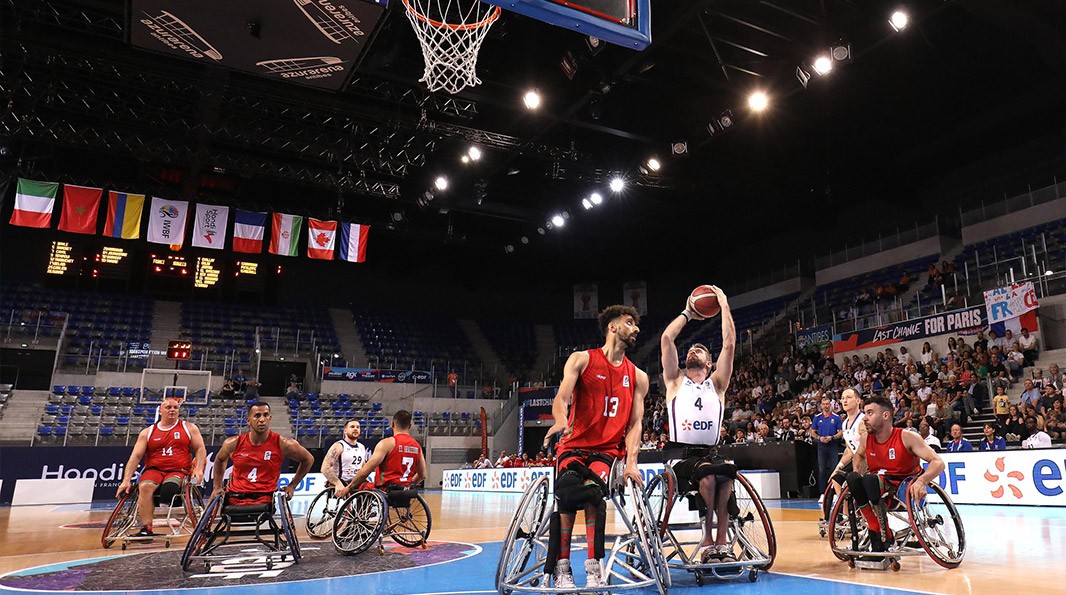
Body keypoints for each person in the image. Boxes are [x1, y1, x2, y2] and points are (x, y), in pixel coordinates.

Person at [542, 305, 649, 590]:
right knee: (566, 493)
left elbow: (635, 424)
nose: (636, 328)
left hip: (607, 453)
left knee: (592, 493)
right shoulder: (582, 360)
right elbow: (562, 396)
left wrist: (631, 463)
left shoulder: (638, 377)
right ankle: (561, 569)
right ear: (612, 327)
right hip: (573, 447)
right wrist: (561, 420)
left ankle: (593, 568)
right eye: (629, 323)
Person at [659, 286, 736, 563]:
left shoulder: (717, 384)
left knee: (725, 471)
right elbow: (667, 338)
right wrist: (688, 313)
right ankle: (707, 539)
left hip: (712, 454)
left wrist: (724, 305)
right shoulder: (675, 380)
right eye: (691, 348)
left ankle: (722, 542)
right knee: (708, 474)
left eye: (700, 349)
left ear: (709, 362)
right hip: (682, 457)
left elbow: (729, 344)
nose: (694, 349)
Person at [849, 396, 945, 554]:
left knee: (870, 480)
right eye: (865, 413)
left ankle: (881, 531)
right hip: (877, 487)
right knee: (853, 478)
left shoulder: (907, 437)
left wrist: (922, 481)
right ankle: (877, 527)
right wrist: (857, 470)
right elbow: (859, 455)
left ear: (885, 416)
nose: (865, 418)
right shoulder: (867, 439)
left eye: (870, 413)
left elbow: (938, 462)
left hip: (903, 488)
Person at [116, 397, 207, 537]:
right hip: (154, 470)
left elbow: (200, 449)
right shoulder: (147, 432)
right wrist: (126, 480)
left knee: (169, 490)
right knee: (145, 487)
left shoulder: (189, 428)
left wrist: (199, 469)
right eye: (168, 407)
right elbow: (135, 457)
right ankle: (147, 528)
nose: (172, 410)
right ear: (160, 411)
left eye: (175, 408)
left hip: (178, 470)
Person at [211, 401, 314, 505]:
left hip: (265, 498)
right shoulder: (233, 443)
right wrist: (217, 487)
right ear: (248, 420)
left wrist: (292, 485)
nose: (261, 420)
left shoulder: (283, 444)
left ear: (270, 418)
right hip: (235, 496)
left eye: (265, 415)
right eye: (257, 416)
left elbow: (308, 459)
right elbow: (220, 460)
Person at [338, 410, 427, 497]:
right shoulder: (417, 446)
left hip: (385, 489)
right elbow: (422, 475)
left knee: (358, 486)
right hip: (405, 490)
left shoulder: (387, 443)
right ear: (410, 426)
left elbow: (365, 471)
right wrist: (408, 485)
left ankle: (355, 511)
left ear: (392, 424)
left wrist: (348, 488)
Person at [821, 388, 866, 535]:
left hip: (867, 461)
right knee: (835, 478)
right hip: (854, 459)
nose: (844, 400)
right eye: (842, 398)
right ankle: (847, 514)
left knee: (852, 483)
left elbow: (865, 448)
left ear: (858, 401)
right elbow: (848, 450)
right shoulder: (845, 422)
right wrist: (837, 467)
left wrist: (857, 467)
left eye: (848, 397)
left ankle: (861, 516)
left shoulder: (863, 421)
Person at [321, 420, 375, 495]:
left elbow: (363, 467)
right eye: (352, 427)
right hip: (342, 481)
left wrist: (367, 479)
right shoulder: (339, 446)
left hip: (356, 482)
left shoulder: (361, 447)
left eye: (358, 427)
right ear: (345, 431)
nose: (355, 429)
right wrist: (337, 483)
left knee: (371, 489)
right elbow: (325, 468)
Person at [812, 397, 843, 497]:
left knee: (834, 469)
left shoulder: (836, 417)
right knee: (822, 469)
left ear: (830, 405)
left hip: (833, 445)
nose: (825, 406)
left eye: (827, 404)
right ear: (821, 405)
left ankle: (834, 493)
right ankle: (822, 493)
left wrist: (832, 437)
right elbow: (812, 432)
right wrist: (818, 438)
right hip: (821, 445)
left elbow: (841, 432)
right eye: (824, 404)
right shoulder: (817, 417)